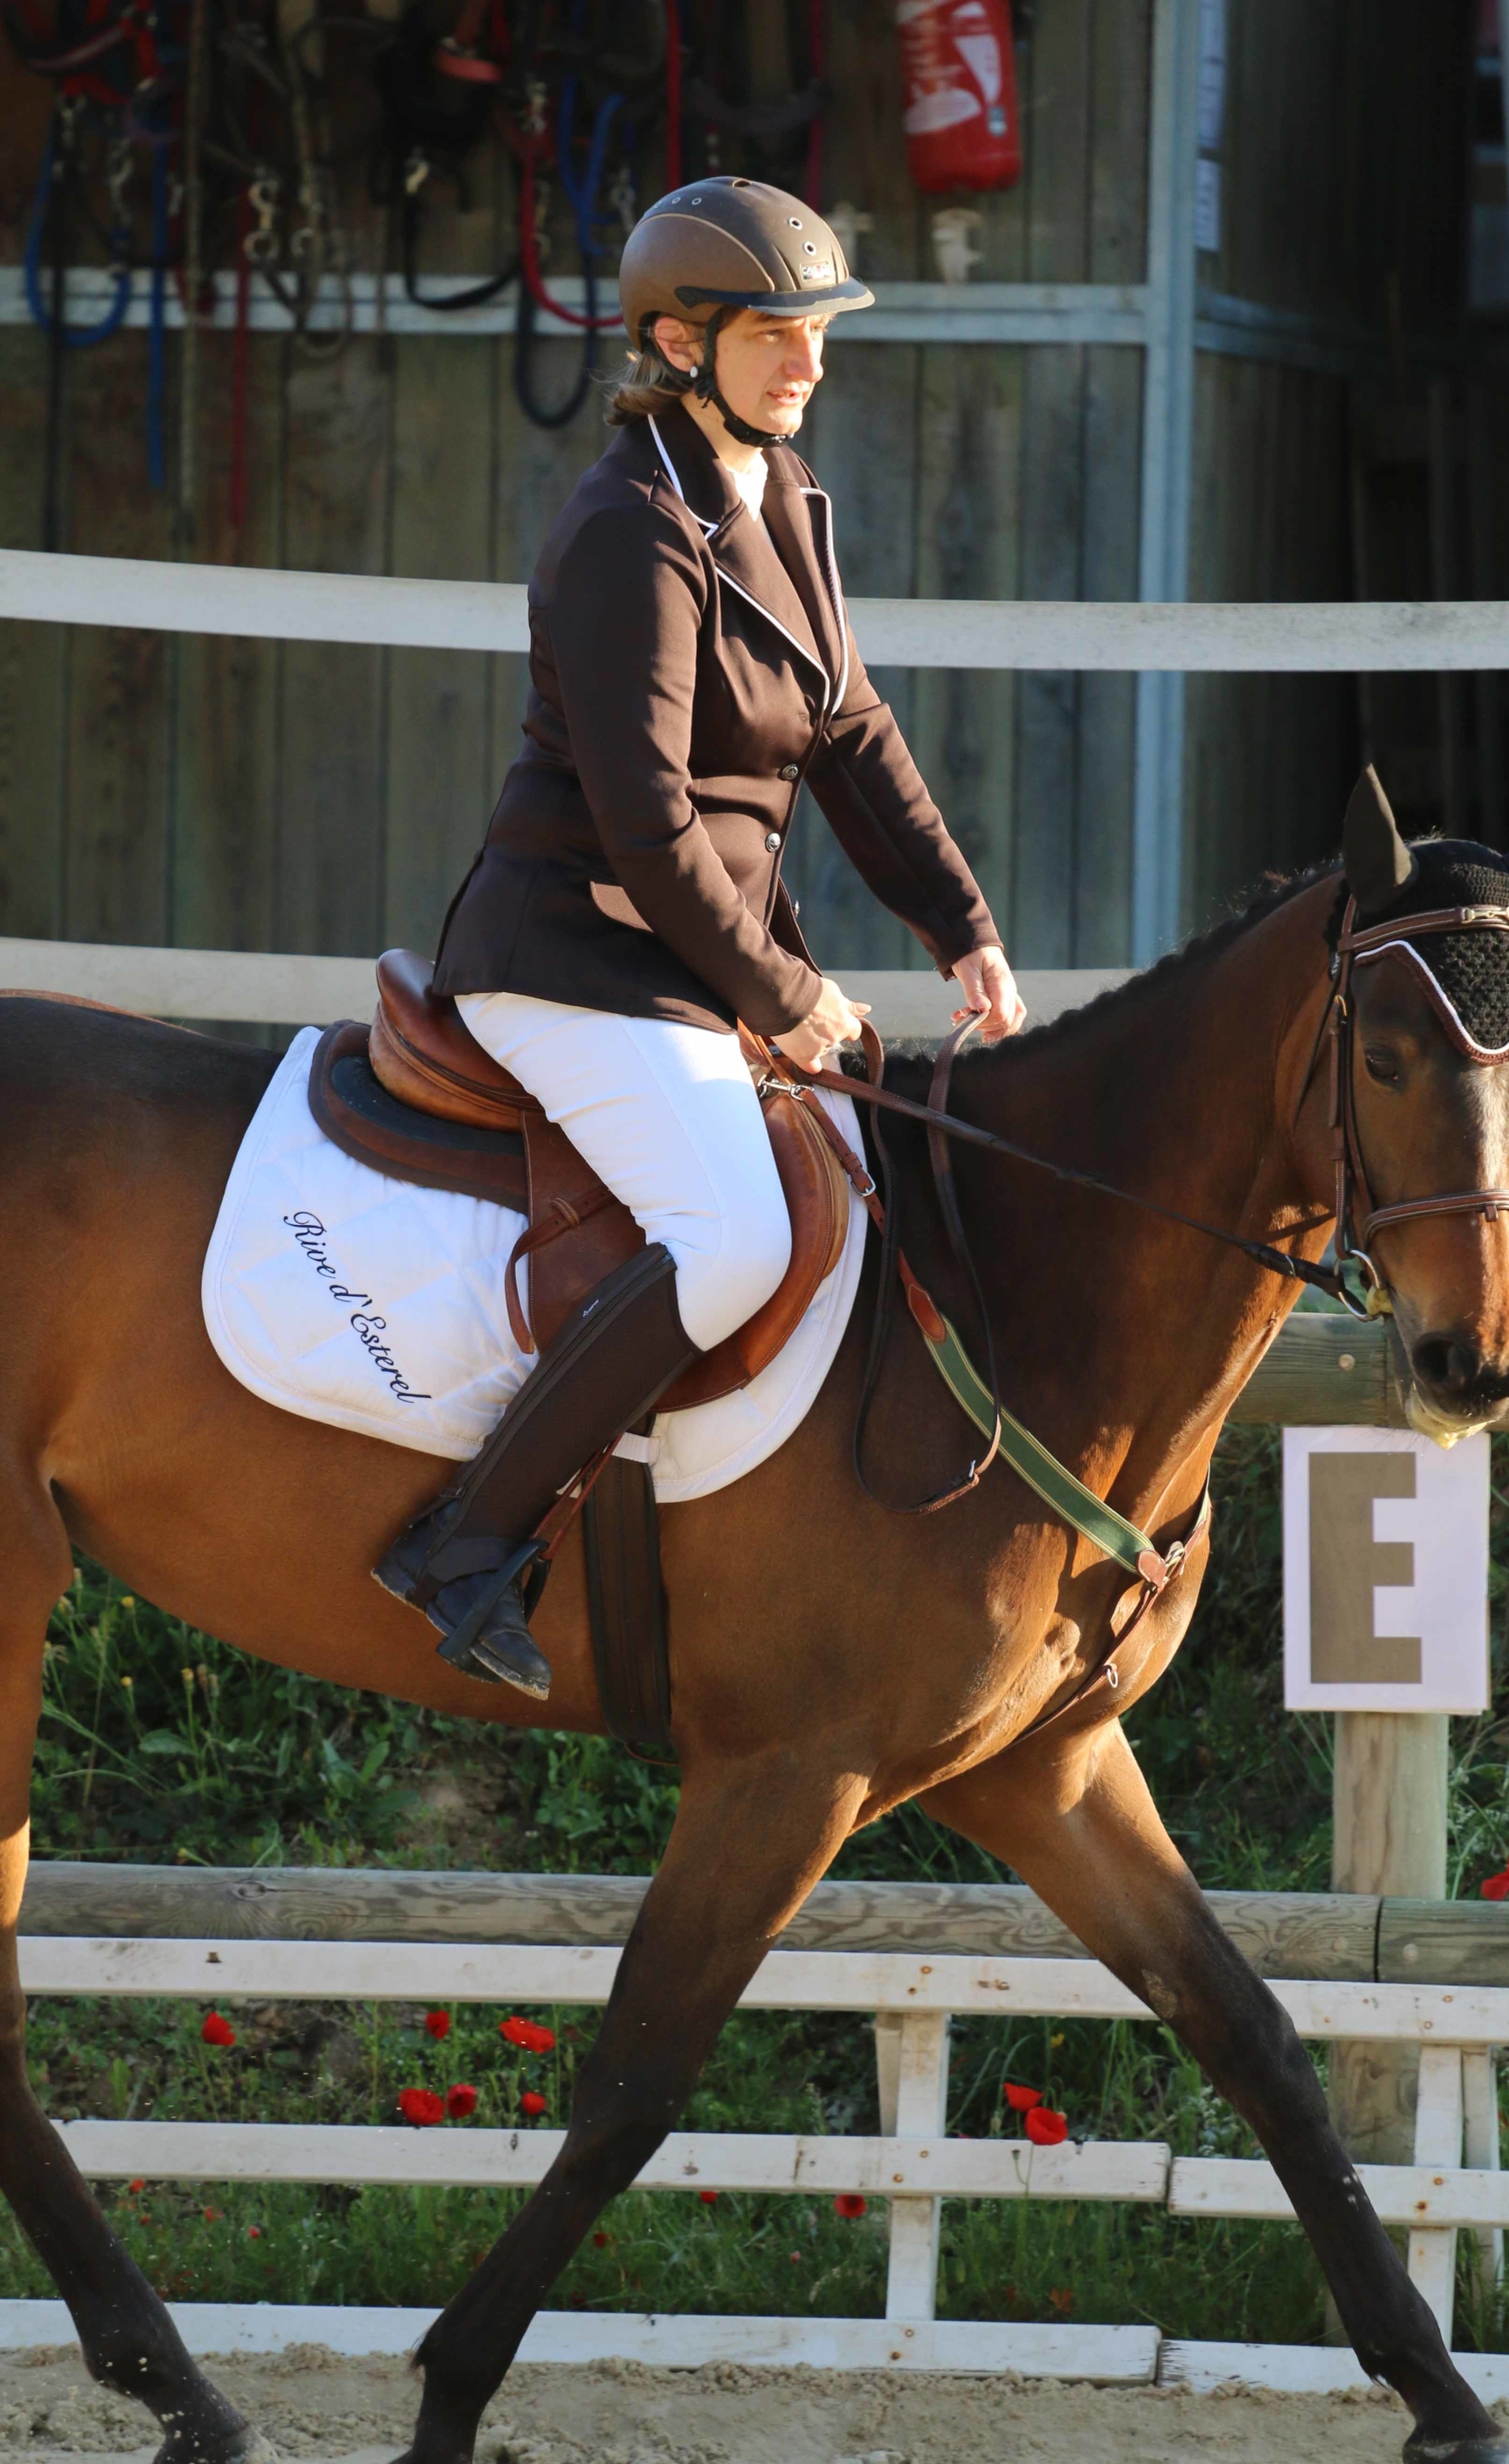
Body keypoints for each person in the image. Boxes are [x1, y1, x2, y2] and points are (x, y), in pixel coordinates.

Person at [377, 174, 1025, 1698]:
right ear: (677, 338)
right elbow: (652, 831)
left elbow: (851, 730)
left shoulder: (783, 495)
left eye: (819, 328)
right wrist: (793, 998)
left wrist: (960, 927)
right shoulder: (628, 530)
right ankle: (467, 1540)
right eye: (776, 331)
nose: (808, 357)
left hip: (680, 959)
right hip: (575, 955)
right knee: (735, 1238)